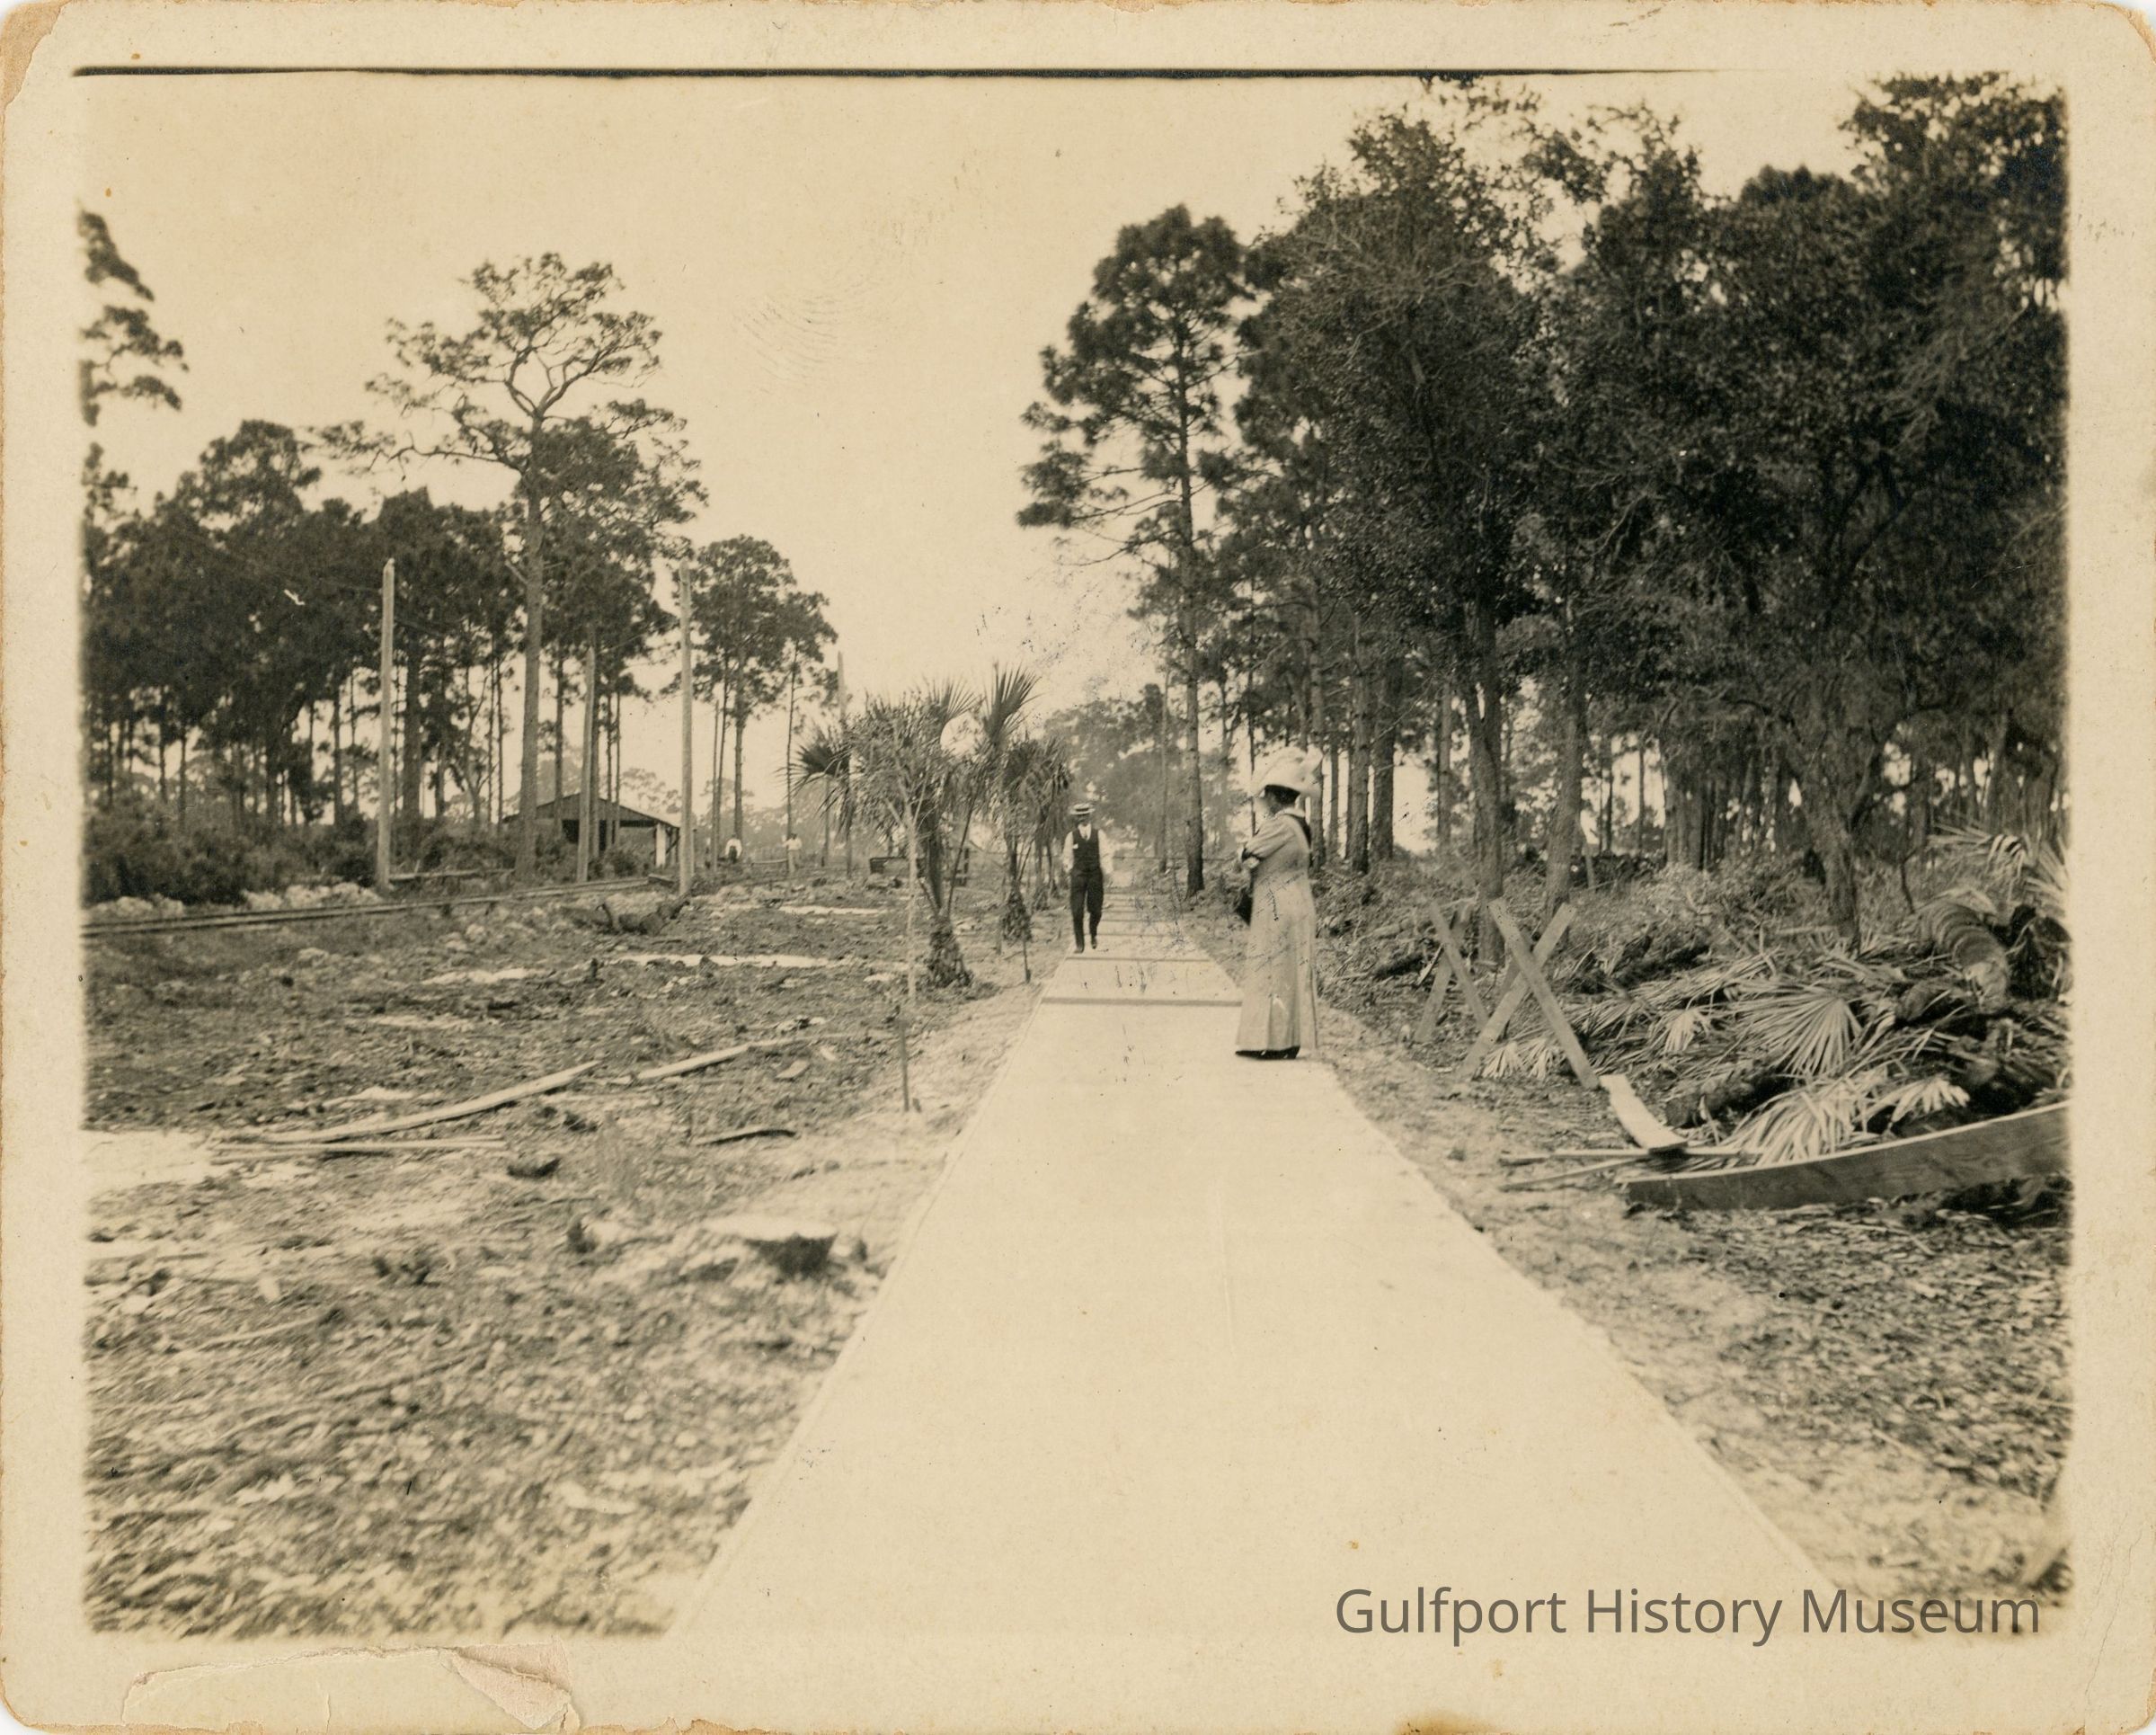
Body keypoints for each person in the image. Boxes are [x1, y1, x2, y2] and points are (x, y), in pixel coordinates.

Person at [1234, 755, 1321, 1060]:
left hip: (1276, 904)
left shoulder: (1280, 825)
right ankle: (1286, 1039)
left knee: (1272, 970)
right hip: (1296, 900)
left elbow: (1247, 854)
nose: (1266, 801)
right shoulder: (1300, 824)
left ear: (1275, 796)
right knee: (1289, 971)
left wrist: (1243, 855)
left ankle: (1273, 1042)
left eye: (1268, 795)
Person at [1062, 800, 1113, 953]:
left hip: (1095, 875)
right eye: (1080, 816)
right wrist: (1069, 870)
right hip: (1078, 876)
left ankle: (1093, 935)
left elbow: (1105, 854)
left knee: (1096, 910)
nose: (1083, 818)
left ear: (1090, 816)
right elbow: (1067, 857)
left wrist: (1108, 872)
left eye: (1085, 815)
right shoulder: (1071, 836)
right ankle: (1080, 944)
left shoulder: (1099, 834)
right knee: (1077, 910)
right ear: (1077, 818)